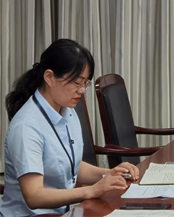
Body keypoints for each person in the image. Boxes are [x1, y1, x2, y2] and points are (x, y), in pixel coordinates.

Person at [0, 39, 140, 216]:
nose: (81, 91)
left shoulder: (68, 111)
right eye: (76, 83)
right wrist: (92, 190)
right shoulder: (27, 127)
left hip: (64, 212)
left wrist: (110, 174)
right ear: (49, 77)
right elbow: (34, 196)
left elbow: (71, 166)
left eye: (85, 83)